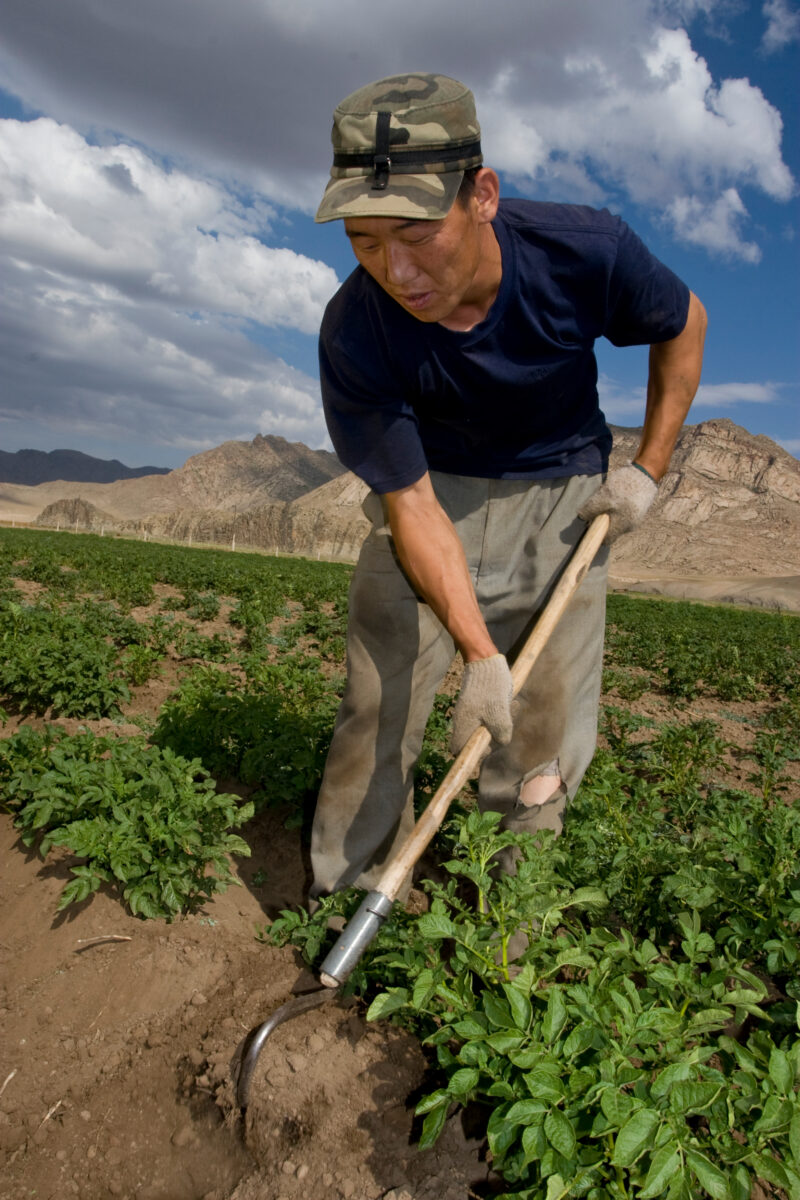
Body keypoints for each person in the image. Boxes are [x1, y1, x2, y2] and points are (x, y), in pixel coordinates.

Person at [309, 72, 706, 902]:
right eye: (365, 241)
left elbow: (684, 322)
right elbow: (411, 503)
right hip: (427, 491)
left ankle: (507, 918)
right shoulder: (356, 331)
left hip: (561, 491)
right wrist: (479, 654)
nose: (396, 269)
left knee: (540, 723)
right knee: (377, 700)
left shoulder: (583, 250)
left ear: (480, 195)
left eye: (416, 234)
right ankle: (347, 897)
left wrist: (646, 473)